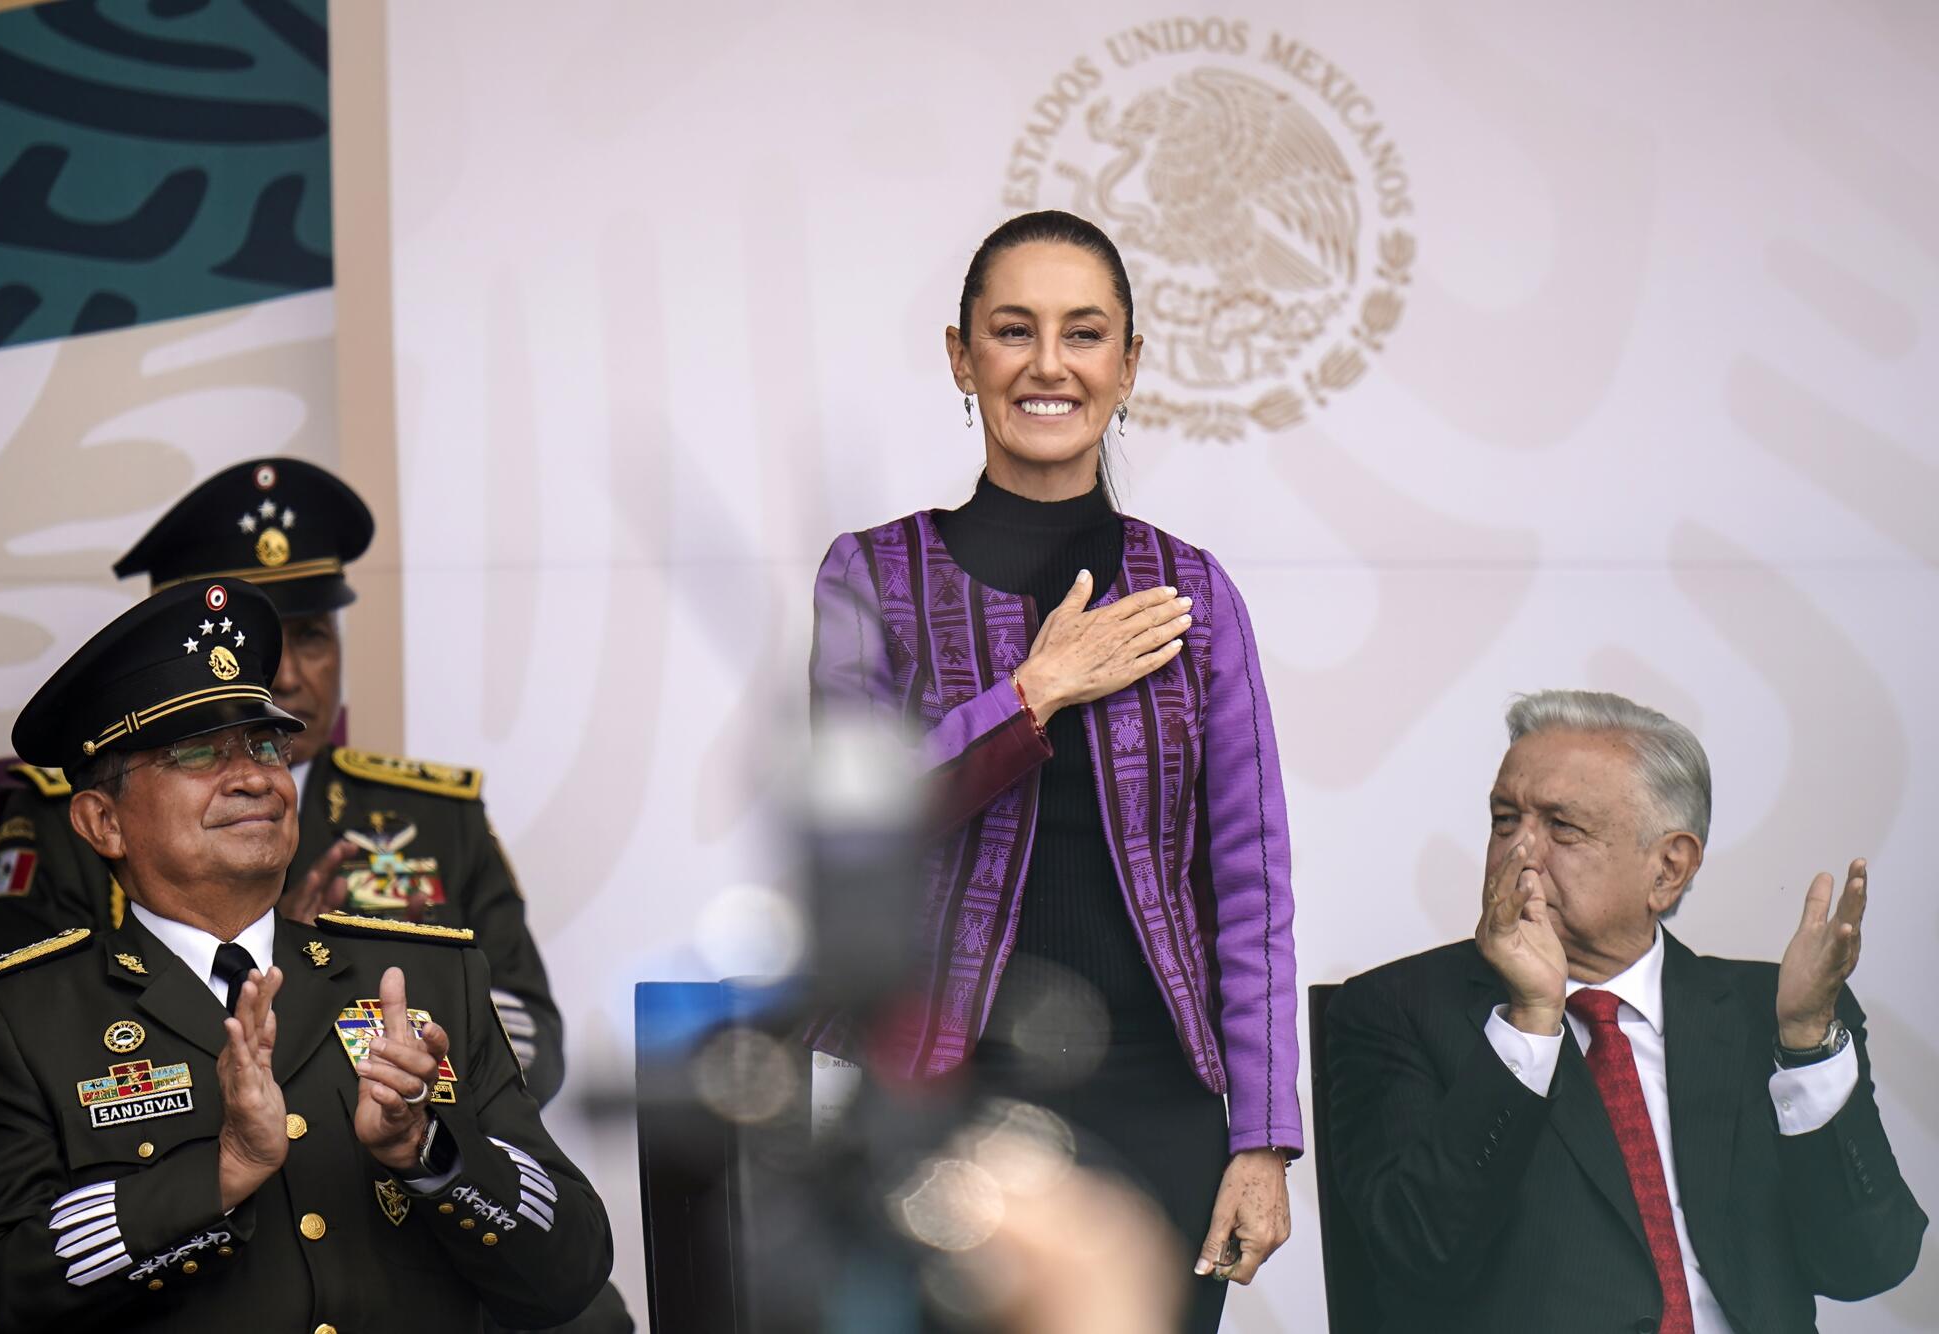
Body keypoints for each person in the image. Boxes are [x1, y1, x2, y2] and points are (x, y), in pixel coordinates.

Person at [806, 210, 1302, 1332]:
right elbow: (849, 831)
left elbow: (1249, 883)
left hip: (1160, 1102)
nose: (1046, 363)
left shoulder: (1192, 591)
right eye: (1011, 329)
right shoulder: (870, 574)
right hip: (937, 1098)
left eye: (1083, 334)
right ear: (959, 355)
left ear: (1127, 364)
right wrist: (1030, 695)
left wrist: (1261, 1136)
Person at [0, 579, 612, 1332]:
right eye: (198, 750)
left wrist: (428, 1149)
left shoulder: (431, 979)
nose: (257, 775)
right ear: (103, 821)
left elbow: (571, 1271)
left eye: (265, 744)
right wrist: (217, 1174)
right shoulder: (13, 1020)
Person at [1325, 689, 1926, 1333]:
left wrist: (1807, 1044)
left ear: (1668, 868)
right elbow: (1418, 1259)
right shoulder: (1393, 1009)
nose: (1519, 853)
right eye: (1506, 819)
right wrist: (1531, 1017)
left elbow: (1867, 1263)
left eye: (1562, 827)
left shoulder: (1769, 1012)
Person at [0, 458, 565, 1102]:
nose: (288, 680)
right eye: (260, 650)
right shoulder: (70, 810)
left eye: (313, 637)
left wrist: (411, 1037)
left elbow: (530, 1041)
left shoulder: (435, 812)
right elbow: (44, 1035)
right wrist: (261, 949)